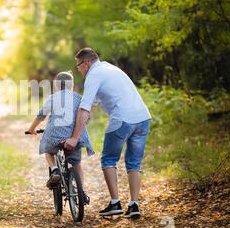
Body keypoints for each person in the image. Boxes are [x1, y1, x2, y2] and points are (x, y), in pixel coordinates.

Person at [65, 48, 151, 218]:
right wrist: (80, 128)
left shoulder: (93, 75)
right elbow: (93, 107)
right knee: (134, 163)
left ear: (87, 63)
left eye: (78, 66)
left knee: (108, 160)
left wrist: (74, 137)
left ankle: (115, 203)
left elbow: (84, 107)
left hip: (122, 119)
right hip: (143, 118)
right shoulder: (110, 69)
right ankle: (134, 205)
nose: (79, 70)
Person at [26, 71, 94, 204]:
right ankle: (82, 192)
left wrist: (31, 129)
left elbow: (41, 115)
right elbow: (87, 117)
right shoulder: (78, 98)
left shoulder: (52, 98)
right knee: (76, 163)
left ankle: (54, 169)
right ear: (72, 85)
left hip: (55, 136)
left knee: (49, 151)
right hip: (74, 137)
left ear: (56, 86)